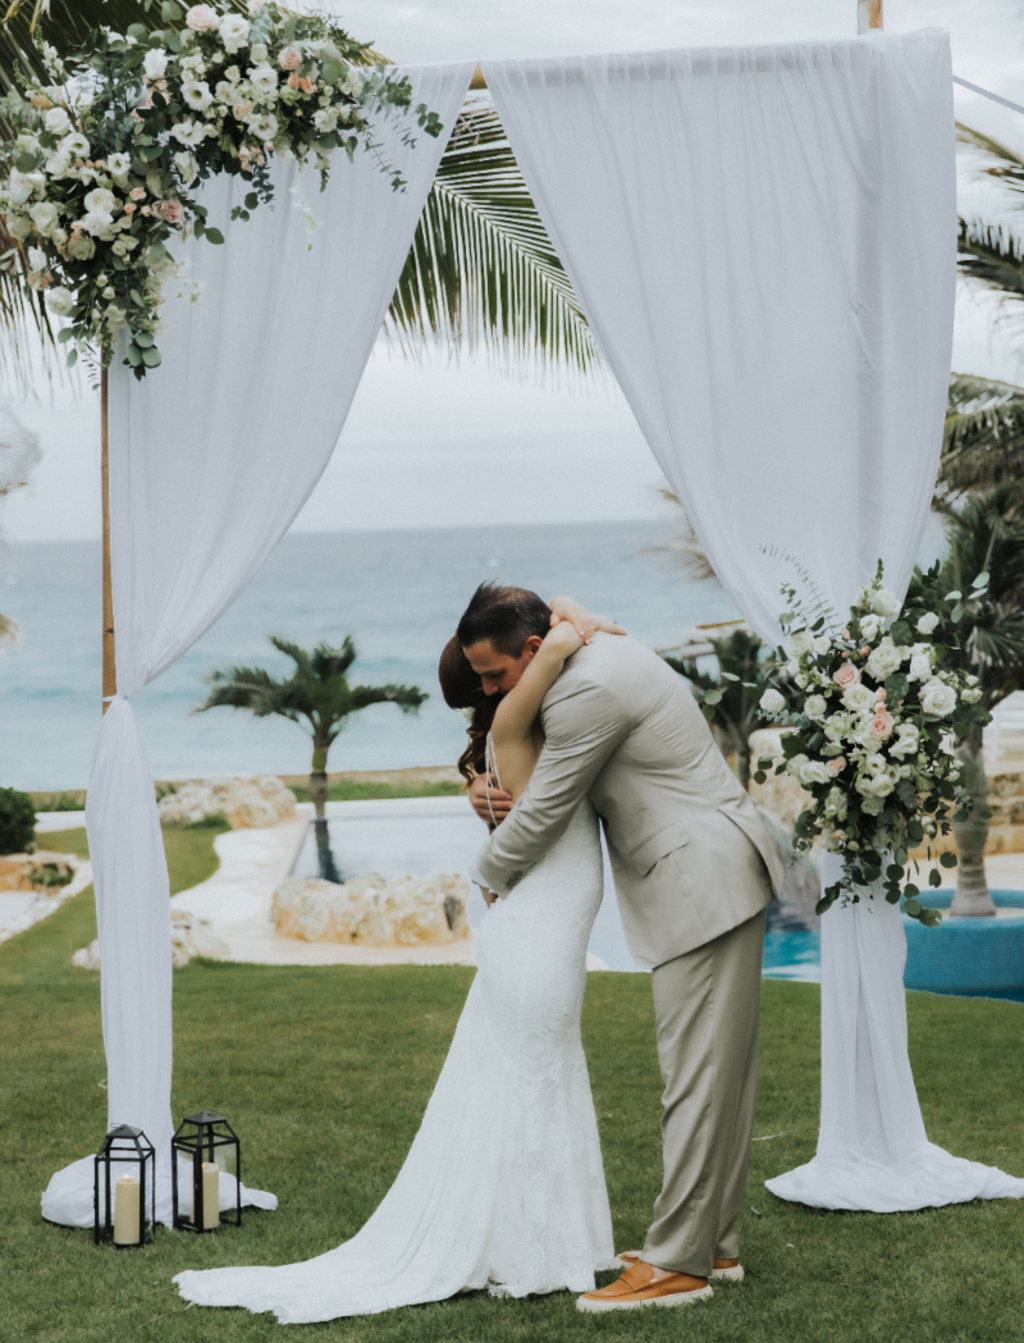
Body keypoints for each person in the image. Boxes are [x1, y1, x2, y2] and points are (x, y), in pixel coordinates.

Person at [173, 595, 623, 1324]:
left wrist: (570, 623)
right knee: (531, 1073)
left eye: (490, 676)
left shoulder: (541, 708)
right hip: (534, 921)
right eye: (480, 681)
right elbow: (542, 674)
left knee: (543, 1070)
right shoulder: (514, 718)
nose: (488, 690)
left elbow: (554, 645)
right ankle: (530, 1248)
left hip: (548, 916)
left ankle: (553, 1238)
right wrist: (569, 633)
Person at [462, 584, 783, 1313]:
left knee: (697, 1078)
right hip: (715, 867)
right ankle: (715, 1246)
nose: (490, 690)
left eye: (494, 675)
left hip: (699, 878)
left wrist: (487, 871)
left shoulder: (587, 692)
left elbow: (546, 808)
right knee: (721, 1075)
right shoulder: (586, 654)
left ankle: (676, 1265)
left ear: (534, 648)